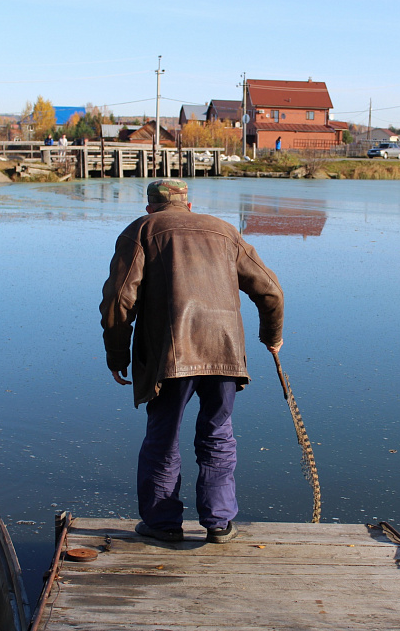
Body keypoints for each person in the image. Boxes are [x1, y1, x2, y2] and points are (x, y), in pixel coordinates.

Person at [100, 179, 284, 545]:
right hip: (225, 352)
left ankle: (163, 522)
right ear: (188, 203)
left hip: (171, 356)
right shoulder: (224, 231)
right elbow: (270, 290)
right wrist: (272, 337)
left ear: (150, 206)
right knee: (218, 433)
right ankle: (218, 522)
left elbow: (119, 301)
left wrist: (117, 356)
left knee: (164, 439)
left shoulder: (142, 230)